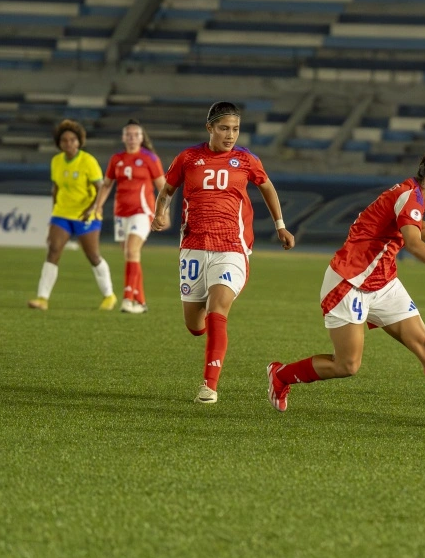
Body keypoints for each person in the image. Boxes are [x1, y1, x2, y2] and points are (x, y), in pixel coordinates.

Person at [265, 144, 425, 433]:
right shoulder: (408, 195)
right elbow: (413, 243)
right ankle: (281, 375)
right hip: (348, 282)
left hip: (383, 282)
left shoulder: (412, 195)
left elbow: (416, 225)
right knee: (347, 365)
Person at [151, 101, 295, 404]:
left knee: (218, 309)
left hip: (231, 248)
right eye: (224, 128)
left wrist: (280, 225)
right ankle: (206, 324)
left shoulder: (246, 160)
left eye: (236, 129)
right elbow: (166, 191)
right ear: (210, 128)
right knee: (194, 326)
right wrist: (159, 212)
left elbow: (267, 187)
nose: (230, 135)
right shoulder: (188, 158)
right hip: (192, 248)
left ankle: (209, 385)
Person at [28, 119, 117, 311]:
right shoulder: (56, 161)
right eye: (64, 140)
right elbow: (56, 188)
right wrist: (54, 210)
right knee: (53, 250)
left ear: (79, 142)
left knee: (93, 256)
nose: (68, 143)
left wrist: (92, 209)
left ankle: (109, 295)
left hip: (86, 215)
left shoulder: (88, 161)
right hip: (62, 214)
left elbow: (101, 188)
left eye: (72, 140)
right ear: (59, 143)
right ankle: (42, 299)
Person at [85, 119, 166, 314]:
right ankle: (141, 301)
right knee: (131, 255)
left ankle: (128, 299)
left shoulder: (150, 158)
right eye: (128, 135)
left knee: (131, 251)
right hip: (121, 213)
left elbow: (162, 186)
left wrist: (163, 211)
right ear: (123, 137)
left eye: (135, 135)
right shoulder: (117, 159)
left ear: (141, 137)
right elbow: (106, 185)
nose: (132, 138)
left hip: (142, 211)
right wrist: (97, 207)